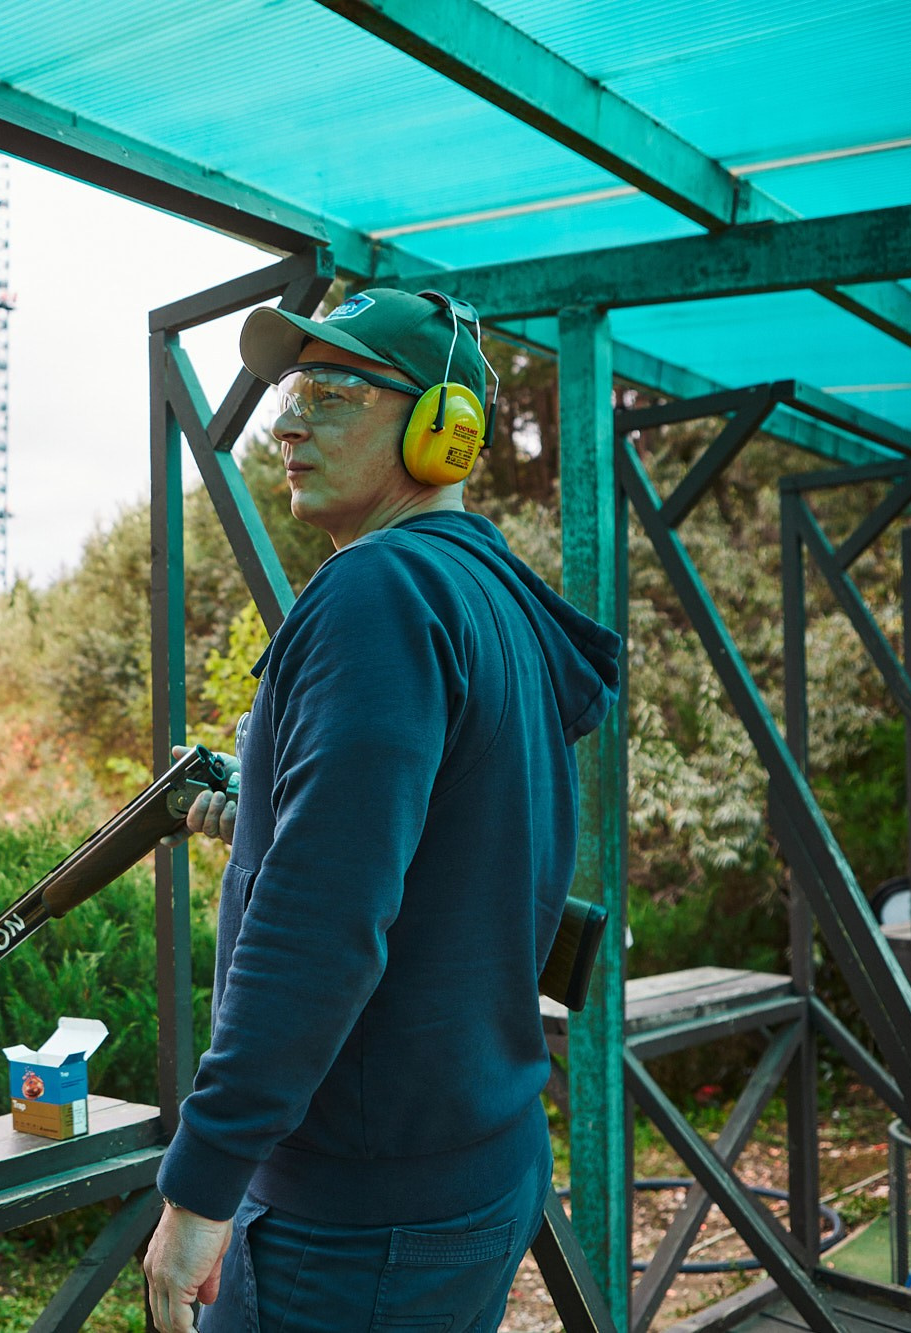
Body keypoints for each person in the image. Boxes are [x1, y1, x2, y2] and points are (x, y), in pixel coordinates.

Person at [141, 288, 622, 1332]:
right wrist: (262, 819)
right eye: (289, 396)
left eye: (331, 394)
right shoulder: (488, 594)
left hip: (353, 1222)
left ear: (442, 430)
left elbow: (318, 920)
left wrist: (202, 1184)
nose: (286, 425)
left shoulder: (376, 593)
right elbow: (430, 839)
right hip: (470, 1167)